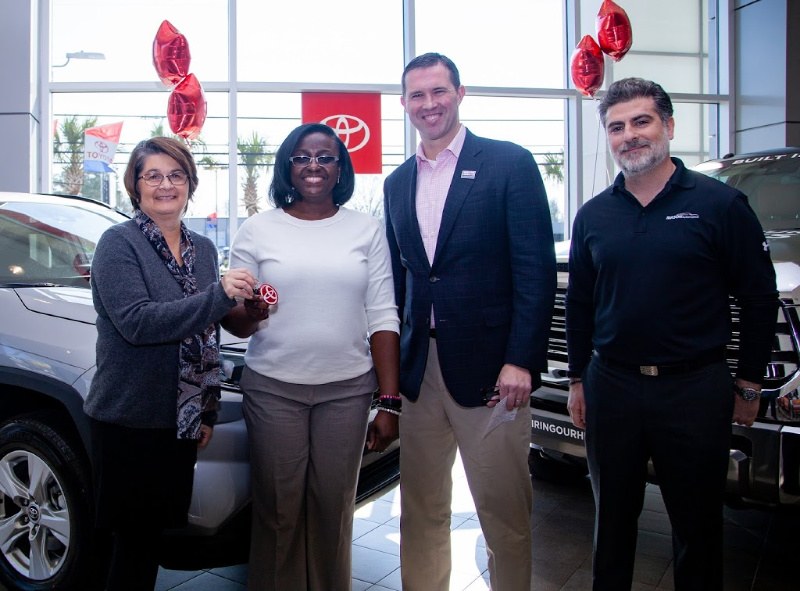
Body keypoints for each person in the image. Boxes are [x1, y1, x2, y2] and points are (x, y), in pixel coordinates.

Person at [565, 77, 779, 590]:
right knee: (611, 523)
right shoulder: (594, 216)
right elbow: (580, 305)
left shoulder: (720, 205)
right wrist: (578, 380)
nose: (629, 135)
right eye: (616, 127)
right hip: (611, 387)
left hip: (695, 389)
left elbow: (758, 297)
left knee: (698, 527)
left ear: (669, 126)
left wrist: (750, 382)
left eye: (641, 121)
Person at [383, 52, 557, 591]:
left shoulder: (509, 163)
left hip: (492, 371)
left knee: (503, 514)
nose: (429, 104)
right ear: (405, 104)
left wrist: (521, 359)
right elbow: (398, 281)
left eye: (439, 92)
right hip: (420, 371)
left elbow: (536, 270)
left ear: (460, 94)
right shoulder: (396, 183)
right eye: (417, 95)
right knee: (421, 512)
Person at [222, 122, 400, 591]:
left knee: (332, 508)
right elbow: (235, 320)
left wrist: (389, 400)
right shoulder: (258, 228)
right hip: (274, 388)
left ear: (340, 167)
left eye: (325, 157)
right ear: (287, 166)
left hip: (347, 390)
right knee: (279, 511)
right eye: (302, 157)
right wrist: (253, 311)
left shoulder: (366, 229)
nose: (314, 166)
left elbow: (383, 314)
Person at [84, 136, 259, 590]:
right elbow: (138, 324)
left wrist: (205, 411)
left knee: (153, 542)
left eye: (176, 174)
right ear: (135, 186)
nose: (166, 185)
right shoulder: (118, 244)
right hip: (128, 420)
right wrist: (218, 295)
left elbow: (206, 335)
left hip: (179, 422)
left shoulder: (202, 247)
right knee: (128, 548)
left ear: (190, 183)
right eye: (153, 175)